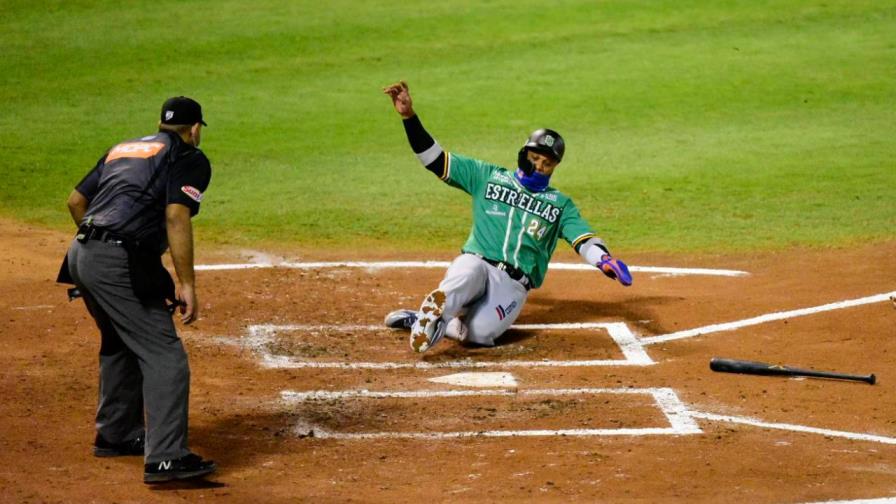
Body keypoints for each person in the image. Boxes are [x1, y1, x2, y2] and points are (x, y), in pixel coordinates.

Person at [382, 81, 632, 353]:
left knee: (477, 334)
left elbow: (583, 240)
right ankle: (436, 314)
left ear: (555, 167)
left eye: (547, 163)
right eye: (535, 158)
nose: (539, 166)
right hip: (477, 264)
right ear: (524, 154)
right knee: (465, 273)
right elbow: (435, 159)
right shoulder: (486, 176)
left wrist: (603, 260)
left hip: (513, 286)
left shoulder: (560, 205)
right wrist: (409, 117)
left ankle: (430, 320)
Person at [60, 96, 216, 483]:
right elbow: (176, 215)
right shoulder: (189, 156)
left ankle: (116, 432)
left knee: (119, 340)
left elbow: (76, 202)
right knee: (164, 354)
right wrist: (187, 283)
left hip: (80, 254)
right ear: (195, 129)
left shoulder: (124, 148)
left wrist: (100, 247)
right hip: (115, 260)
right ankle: (166, 458)